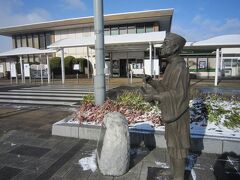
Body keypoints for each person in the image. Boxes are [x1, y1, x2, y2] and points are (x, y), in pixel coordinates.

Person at [143, 33, 190, 180]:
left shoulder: (180, 68)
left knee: (178, 147)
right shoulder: (171, 66)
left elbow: (178, 95)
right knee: (171, 143)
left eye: (165, 44)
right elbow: (165, 87)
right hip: (173, 115)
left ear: (175, 47)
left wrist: (154, 96)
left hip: (178, 115)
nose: (162, 47)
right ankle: (173, 170)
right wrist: (152, 82)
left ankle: (179, 176)